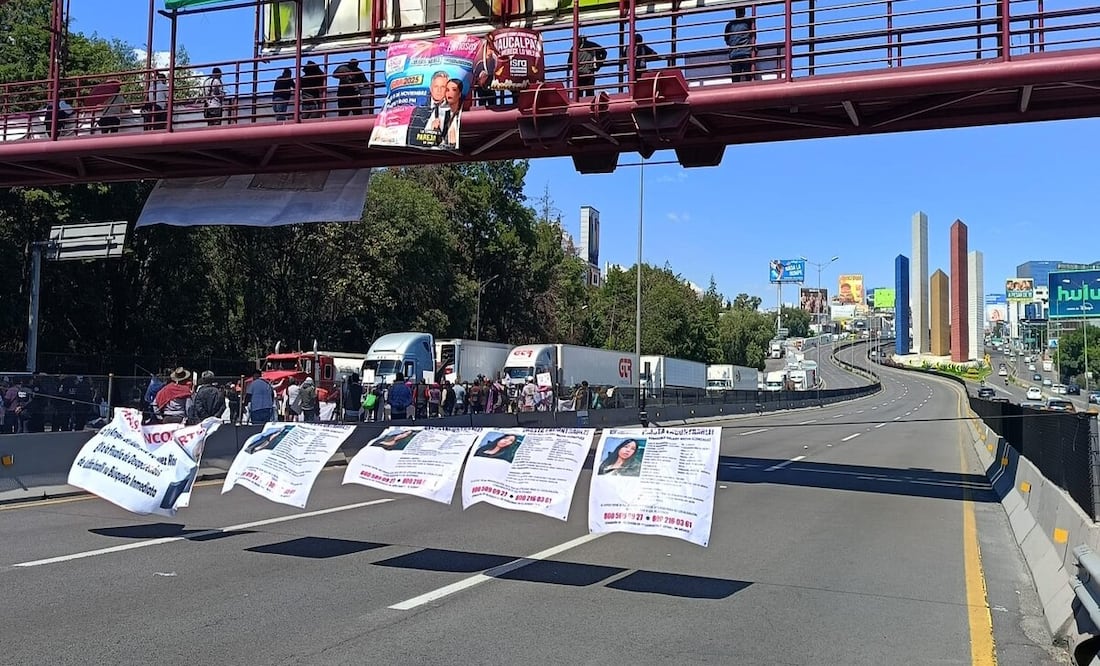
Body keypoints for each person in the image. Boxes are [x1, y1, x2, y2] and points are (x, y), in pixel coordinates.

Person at [407, 71, 450, 146]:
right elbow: (411, 141)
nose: (439, 90)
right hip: (423, 155)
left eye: (442, 87)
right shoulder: (418, 111)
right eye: (436, 86)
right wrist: (430, 131)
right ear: (431, 88)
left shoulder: (453, 110)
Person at [724, 6, 755, 83]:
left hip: (734, 54)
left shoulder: (730, 25)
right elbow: (753, 36)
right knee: (748, 78)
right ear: (744, 12)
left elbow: (727, 41)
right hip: (746, 53)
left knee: (735, 80)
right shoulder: (748, 22)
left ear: (735, 12)